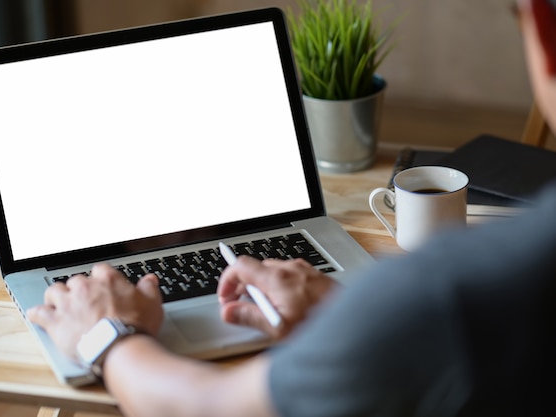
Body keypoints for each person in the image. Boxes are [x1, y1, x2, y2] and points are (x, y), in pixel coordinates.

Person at [27, 1, 556, 415]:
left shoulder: (442, 296)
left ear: (542, 30)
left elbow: (205, 408)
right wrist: (344, 312)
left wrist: (105, 336)